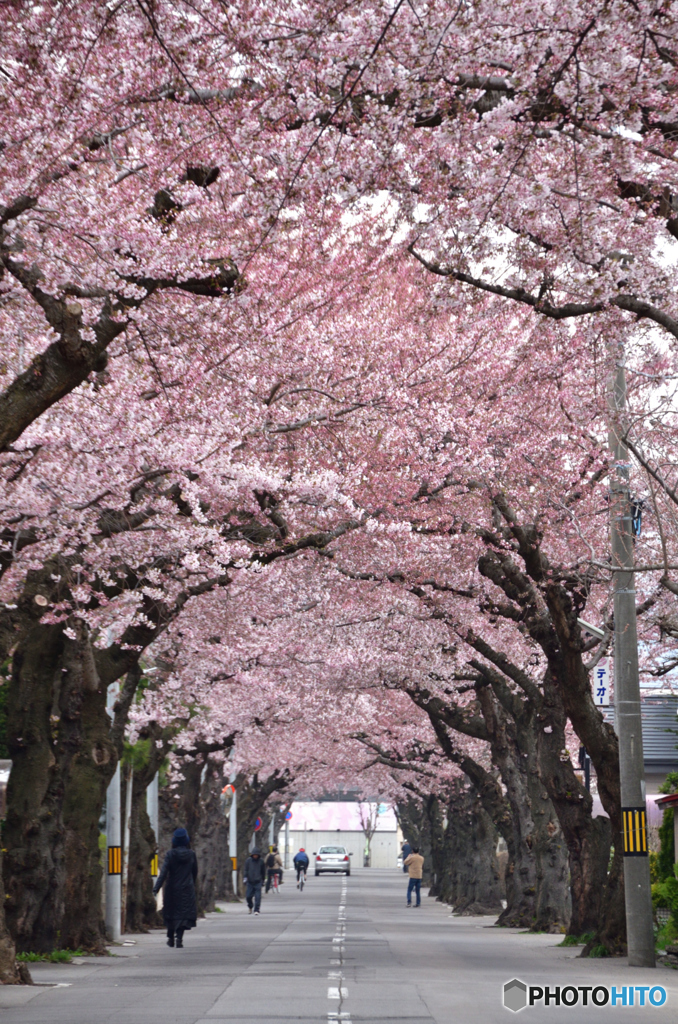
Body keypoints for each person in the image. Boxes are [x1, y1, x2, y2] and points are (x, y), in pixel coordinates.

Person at [153, 827, 198, 948]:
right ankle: (179, 939)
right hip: (187, 888)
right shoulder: (191, 854)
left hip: (172, 887)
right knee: (183, 915)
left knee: (171, 913)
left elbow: (163, 873)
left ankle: (170, 938)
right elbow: (195, 872)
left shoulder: (170, 854)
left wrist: (156, 888)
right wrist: (191, 885)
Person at [244, 847, 266, 914]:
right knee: (248, 896)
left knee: (258, 897)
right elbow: (246, 870)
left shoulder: (261, 861)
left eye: (256, 855)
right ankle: (250, 906)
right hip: (250, 881)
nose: (255, 856)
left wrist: (263, 880)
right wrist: (245, 878)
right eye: (254, 855)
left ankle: (256, 909)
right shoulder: (248, 861)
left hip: (258, 881)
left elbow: (263, 871)